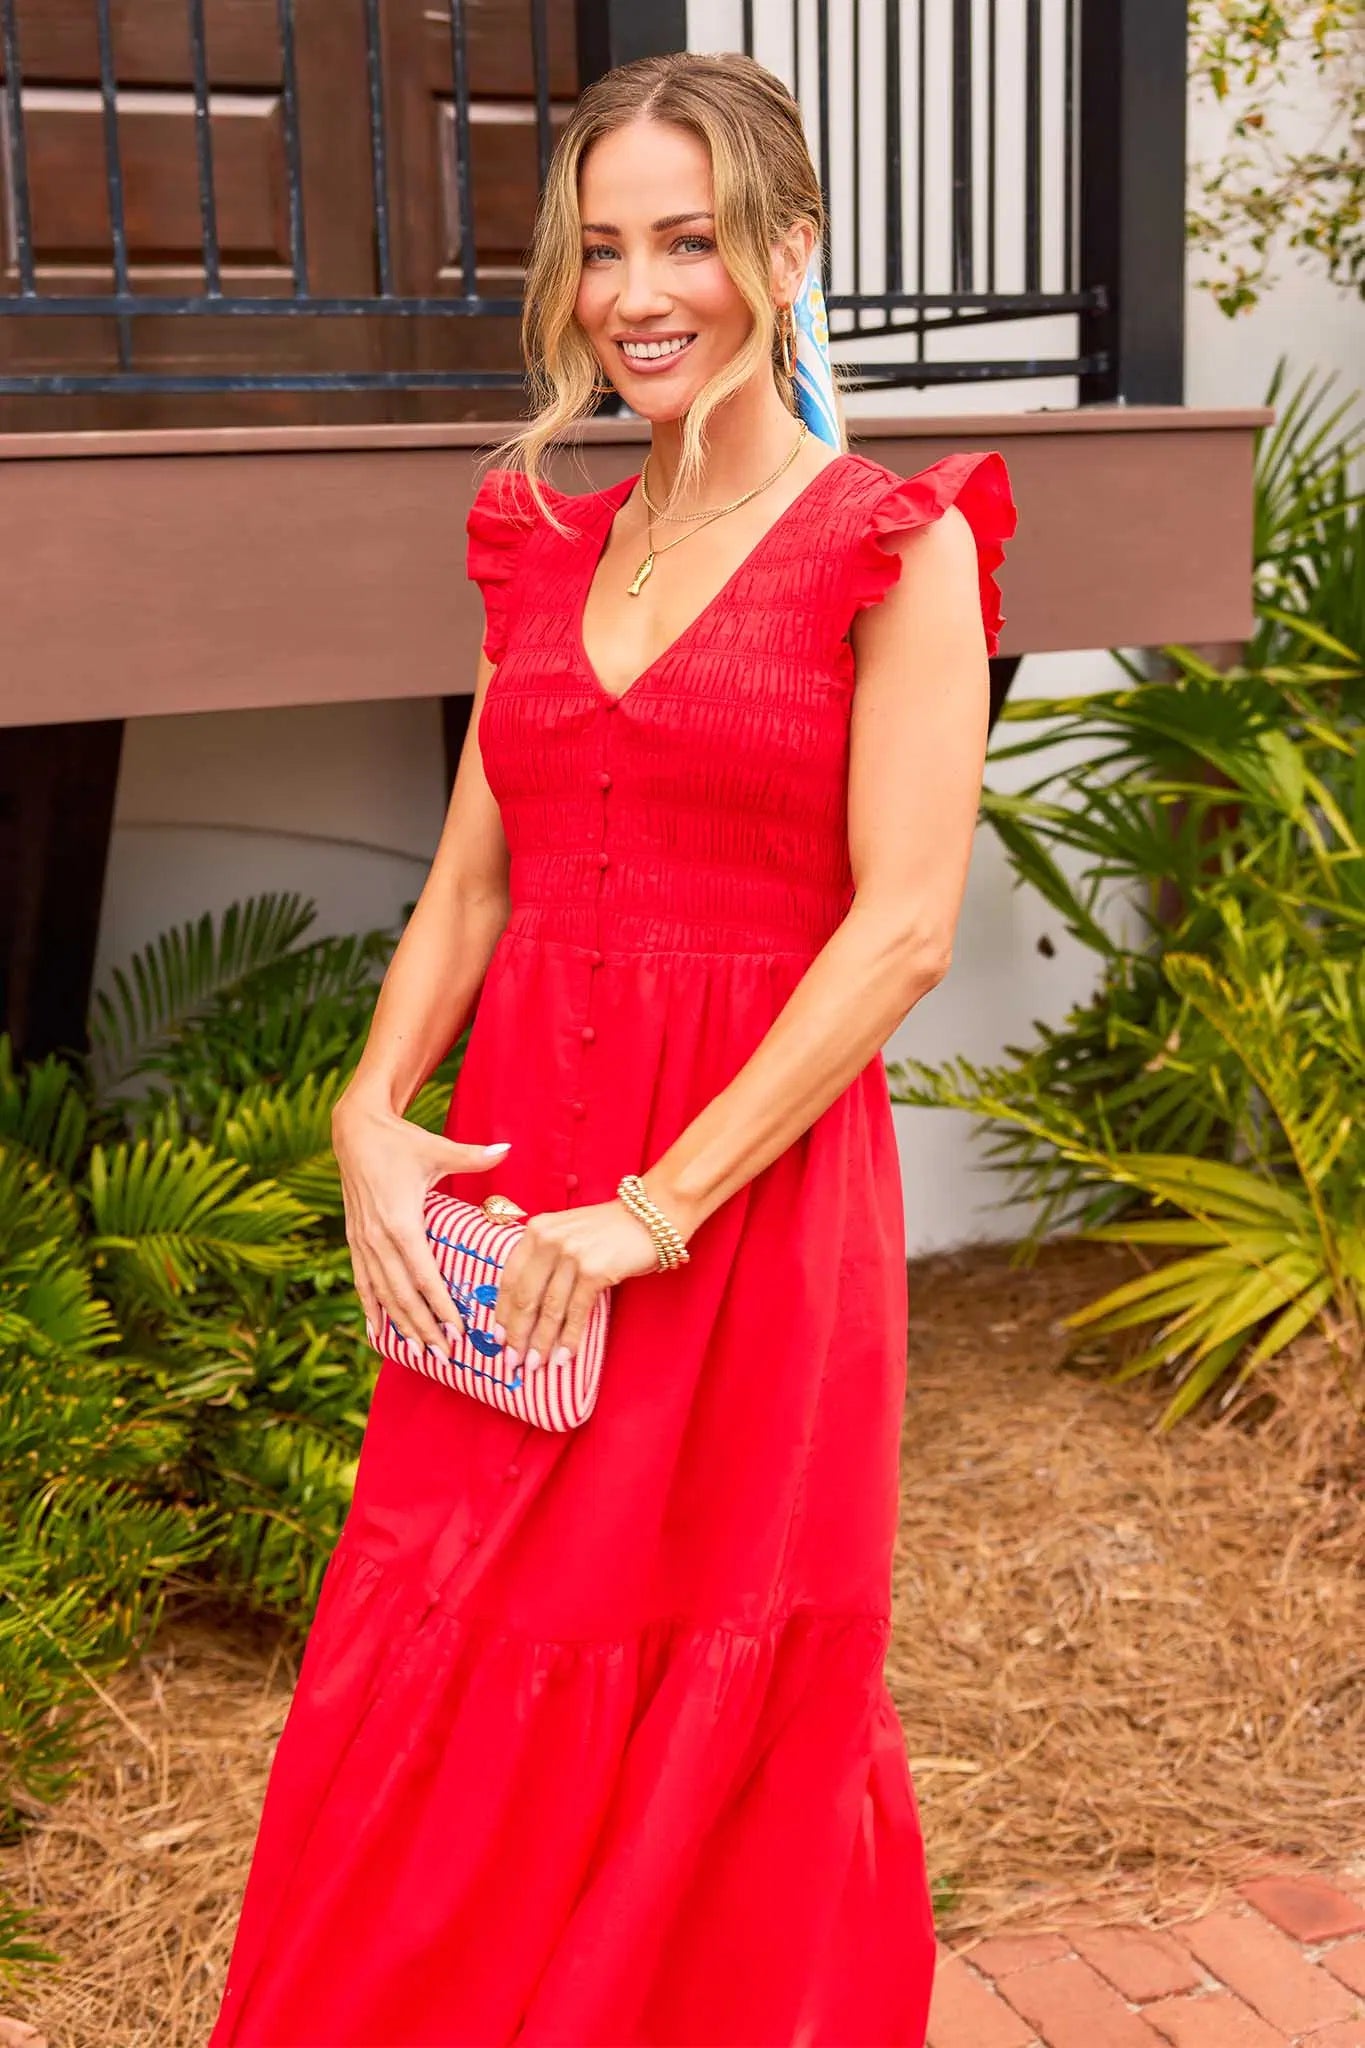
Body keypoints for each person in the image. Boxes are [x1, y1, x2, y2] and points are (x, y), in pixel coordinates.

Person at [209, 47, 1015, 2048]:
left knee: (696, 1651)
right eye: (599, 251)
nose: (638, 296)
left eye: (688, 241)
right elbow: (469, 883)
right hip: (516, 1188)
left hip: (736, 1206)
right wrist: (368, 1111)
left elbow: (902, 929)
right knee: (450, 1623)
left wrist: (652, 1213)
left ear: (787, 252)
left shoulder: (890, 545)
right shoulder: (544, 546)